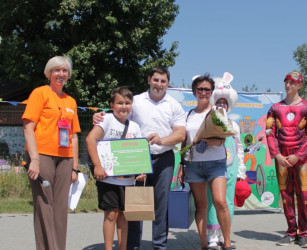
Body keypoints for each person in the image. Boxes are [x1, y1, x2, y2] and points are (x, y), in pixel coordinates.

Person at [93, 67, 186, 250]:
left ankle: (159, 245)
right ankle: (132, 245)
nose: (159, 84)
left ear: (167, 83)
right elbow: (119, 113)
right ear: (149, 80)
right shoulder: (136, 101)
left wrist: (162, 140)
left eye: (163, 81)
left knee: (161, 205)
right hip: (135, 159)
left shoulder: (174, 105)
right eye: (156, 80)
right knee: (135, 204)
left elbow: (181, 134)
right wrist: (99, 114)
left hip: (164, 159)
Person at [22, 55, 81, 250]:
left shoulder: (71, 101)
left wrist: (75, 167)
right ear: (49, 73)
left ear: (69, 75)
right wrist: (35, 159)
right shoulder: (40, 93)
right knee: (45, 205)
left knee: (60, 208)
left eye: (65, 71)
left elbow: (73, 136)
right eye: (57, 70)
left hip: (65, 159)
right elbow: (28, 127)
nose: (61, 74)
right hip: (42, 155)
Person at [178, 74, 233, 250]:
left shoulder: (219, 112)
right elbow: (184, 141)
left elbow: (222, 140)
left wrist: (206, 140)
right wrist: (181, 165)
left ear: (212, 92)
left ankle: (227, 242)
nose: (203, 92)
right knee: (201, 206)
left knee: (219, 201)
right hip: (193, 165)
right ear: (194, 92)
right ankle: (204, 245)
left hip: (216, 163)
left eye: (207, 89)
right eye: (200, 89)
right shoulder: (187, 115)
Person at [265, 71, 307, 248]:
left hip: (301, 158)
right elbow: (269, 133)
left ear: (299, 85)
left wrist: (299, 155)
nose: (288, 85)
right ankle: (290, 231)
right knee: (286, 195)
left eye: (292, 83)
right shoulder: (275, 108)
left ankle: (303, 233)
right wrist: (277, 155)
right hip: (282, 157)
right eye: (286, 82)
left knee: (302, 195)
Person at [86, 86, 143, 250]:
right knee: (111, 214)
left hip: (128, 181)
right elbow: (90, 140)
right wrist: (97, 165)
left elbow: (138, 152)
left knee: (124, 217)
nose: (123, 106)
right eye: (119, 103)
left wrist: (140, 171)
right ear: (111, 105)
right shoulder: (106, 119)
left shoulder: (135, 127)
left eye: (127, 103)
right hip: (108, 178)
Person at [206, 73, 246, 249]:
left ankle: (224, 234)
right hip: (212, 167)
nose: (221, 105)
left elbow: (238, 149)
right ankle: (212, 236)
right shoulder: (209, 122)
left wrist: (240, 170)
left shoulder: (234, 125)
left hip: (230, 167)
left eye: (224, 102)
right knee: (212, 201)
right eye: (219, 102)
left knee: (228, 202)